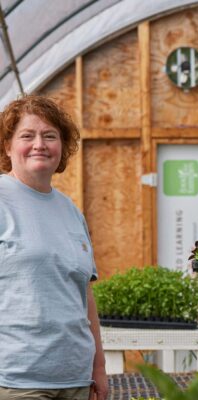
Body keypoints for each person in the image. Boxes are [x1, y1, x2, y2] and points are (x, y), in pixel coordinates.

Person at [0, 95, 109, 400]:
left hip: (75, 378)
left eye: (50, 136)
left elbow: (85, 297)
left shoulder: (70, 210)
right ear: (8, 146)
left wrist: (98, 367)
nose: (40, 144)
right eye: (27, 135)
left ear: (62, 148)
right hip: (18, 381)